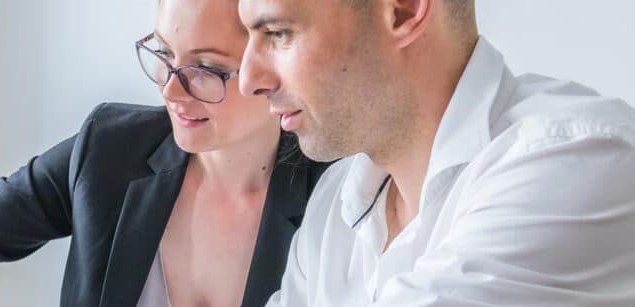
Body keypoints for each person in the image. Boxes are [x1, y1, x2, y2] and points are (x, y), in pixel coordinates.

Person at [0, 0, 330, 306]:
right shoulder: (111, 150)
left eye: (204, 68)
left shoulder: (339, 201)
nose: (170, 92)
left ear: (271, 63)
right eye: (163, 55)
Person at [237, 0, 635, 306]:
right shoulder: (335, 203)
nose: (248, 80)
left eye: (278, 33)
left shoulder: (572, 159)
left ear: (403, 11)